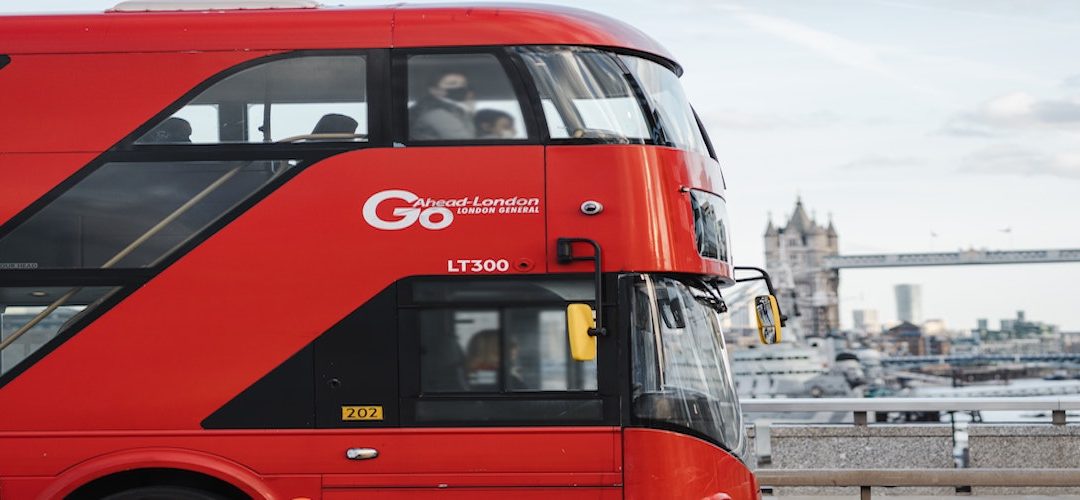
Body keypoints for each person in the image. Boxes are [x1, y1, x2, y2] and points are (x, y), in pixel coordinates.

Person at [408, 71, 476, 140]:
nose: (460, 87)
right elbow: (464, 140)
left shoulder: (454, 108)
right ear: (434, 90)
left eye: (463, 84)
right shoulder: (435, 112)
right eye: (452, 83)